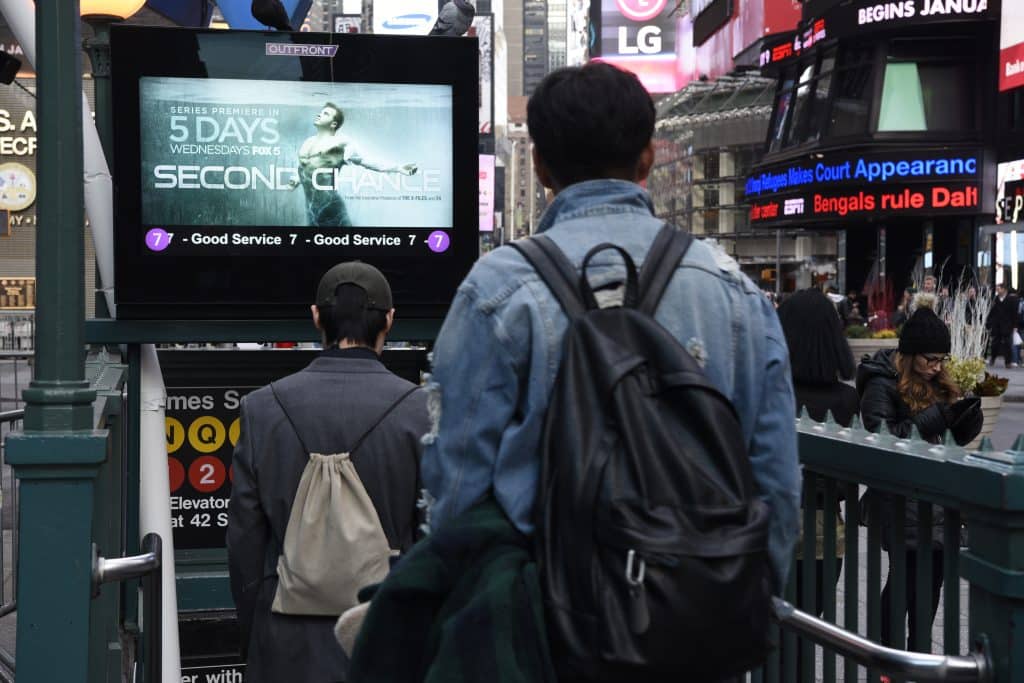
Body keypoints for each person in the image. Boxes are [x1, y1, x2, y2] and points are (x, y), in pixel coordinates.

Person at [421, 62, 800, 601]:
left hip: (544, 627)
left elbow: (456, 483)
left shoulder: (498, 289)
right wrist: (749, 608)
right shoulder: (732, 292)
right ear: (647, 155)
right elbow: (777, 484)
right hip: (697, 618)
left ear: (540, 166)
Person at [226, 261, 429, 683]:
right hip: (387, 639)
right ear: (389, 320)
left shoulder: (262, 409)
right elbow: (433, 536)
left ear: (316, 317)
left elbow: (245, 539)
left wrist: (256, 630)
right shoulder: (421, 411)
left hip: (285, 644)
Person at [856, 304, 982, 650]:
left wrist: (968, 415)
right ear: (910, 355)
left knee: (934, 582)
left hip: (939, 499)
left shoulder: (941, 381)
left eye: (943, 359)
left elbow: (953, 438)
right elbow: (881, 436)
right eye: (931, 359)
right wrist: (938, 416)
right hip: (901, 501)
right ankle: (888, 650)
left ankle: (919, 650)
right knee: (906, 580)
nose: (937, 367)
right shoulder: (882, 382)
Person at [778, 289, 858, 681]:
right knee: (809, 629)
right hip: (827, 536)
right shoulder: (847, 400)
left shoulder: (772, 392)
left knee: (772, 637)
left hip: (772, 529)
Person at [289, 102, 419, 227]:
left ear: (333, 124)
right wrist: (296, 179)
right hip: (312, 208)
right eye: (320, 112)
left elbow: (365, 160)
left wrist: (397, 168)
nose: (319, 115)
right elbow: (305, 166)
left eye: (326, 114)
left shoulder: (341, 143)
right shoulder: (307, 142)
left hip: (332, 208)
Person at [987, 282, 1020, 368]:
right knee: (995, 343)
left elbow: (1014, 314)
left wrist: (1015, 326)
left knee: (1008, 344)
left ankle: (1008, 362)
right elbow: (991, 313)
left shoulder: (1011, 300)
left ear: (1004, 289)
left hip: (1007, 325)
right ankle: (993, 358)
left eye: (999, 289)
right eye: (997, 289)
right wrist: (990, 323)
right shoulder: (995, 299)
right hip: (996, 326)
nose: (997, 291)